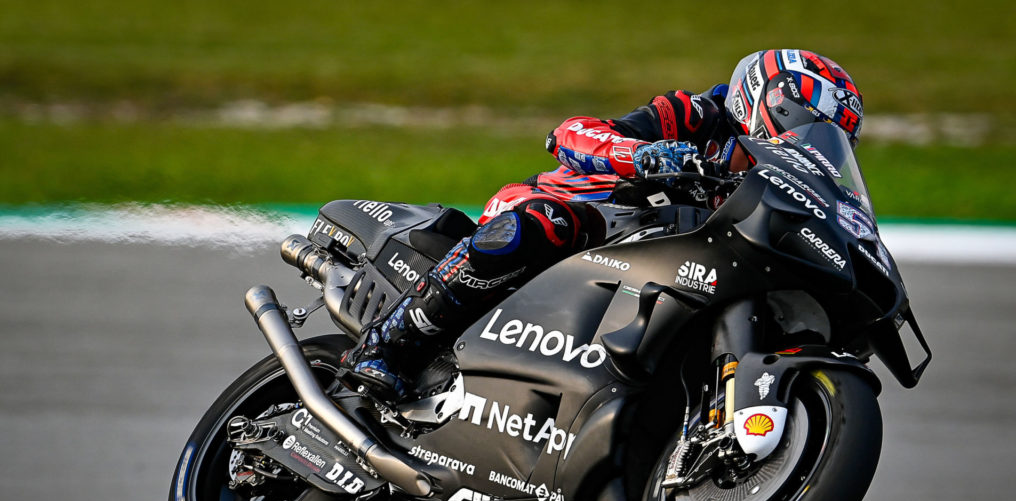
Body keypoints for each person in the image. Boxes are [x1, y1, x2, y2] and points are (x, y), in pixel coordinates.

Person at [340, 49, 864, 403]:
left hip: (658, 268)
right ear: (771, 101)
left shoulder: (769, 188)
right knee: (548, 223)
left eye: (824, 138)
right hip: (581, 214)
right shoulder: (697, 115)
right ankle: (390, 342)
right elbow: (572, 131)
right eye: (805, 123)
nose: (805, 141)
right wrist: (646, 155)